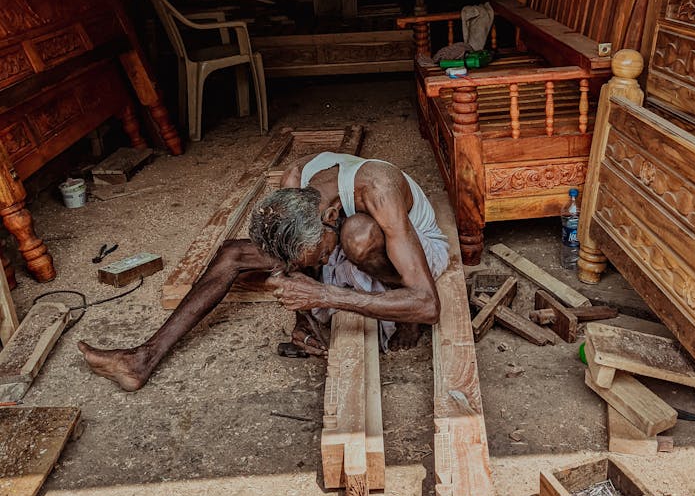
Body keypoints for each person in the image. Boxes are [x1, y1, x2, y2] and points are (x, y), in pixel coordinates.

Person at [77, 152, 448, 392]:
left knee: (358, 236)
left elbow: (430, 304)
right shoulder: (296, 179)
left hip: (413, 253)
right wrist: (304, 317)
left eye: (317, 259)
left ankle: (404, 321)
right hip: (338, 240)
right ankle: (141, 358)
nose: (317, 267)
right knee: (232, 254)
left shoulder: (378, 188)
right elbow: (291, 257)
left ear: (330, 216)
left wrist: (324, 295)